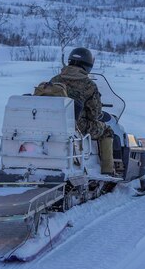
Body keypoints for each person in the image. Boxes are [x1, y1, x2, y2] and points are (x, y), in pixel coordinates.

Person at [34, 47, 115, 175]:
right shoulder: (89, 85)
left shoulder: (55, 79)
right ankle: (108, 170)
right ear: (88, 65)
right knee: (107, 130)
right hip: (76, 126)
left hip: (50, 123)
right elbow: (94, 115)